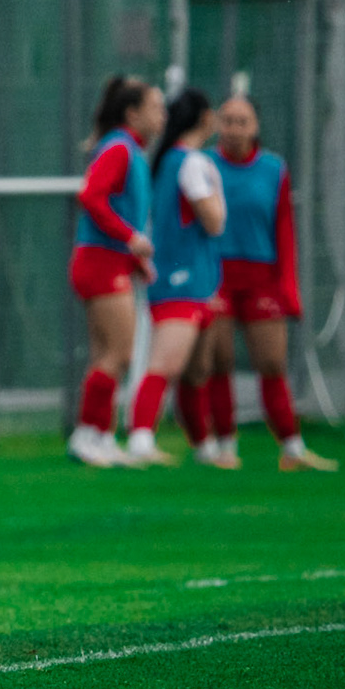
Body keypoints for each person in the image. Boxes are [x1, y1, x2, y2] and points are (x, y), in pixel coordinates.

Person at [183, 95, 337, 472]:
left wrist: (289, 289)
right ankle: (224, 445)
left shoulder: (273, 169)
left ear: (256, 127)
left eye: (242, 121)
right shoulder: (202, 165)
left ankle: (292, 447)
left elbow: (283, 229)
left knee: (271, 362)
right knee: (220, 362)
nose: (234, 128)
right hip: (216, 275)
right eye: (228, 120)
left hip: (261, 277)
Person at [68, 75, 166, 467]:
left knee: (105, 356)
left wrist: (137, 258)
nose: (161, 116)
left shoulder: (132, 152)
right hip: (99, 262)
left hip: (108, 260)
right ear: (132, 113)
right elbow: (91, 195)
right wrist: (130, 239)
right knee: (118, 353)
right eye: (154, 107)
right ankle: (88, 435)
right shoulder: (120, 149)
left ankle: (101, 435)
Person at [124, 88, 225, 467]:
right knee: (164, 364)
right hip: (181, 278)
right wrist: (216, 197)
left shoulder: (168, 160)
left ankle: (204, 446)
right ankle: (139, 439)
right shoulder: (191, 162)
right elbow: (212, 220)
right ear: (204, 118)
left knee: (195, 371)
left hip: (196, 278)